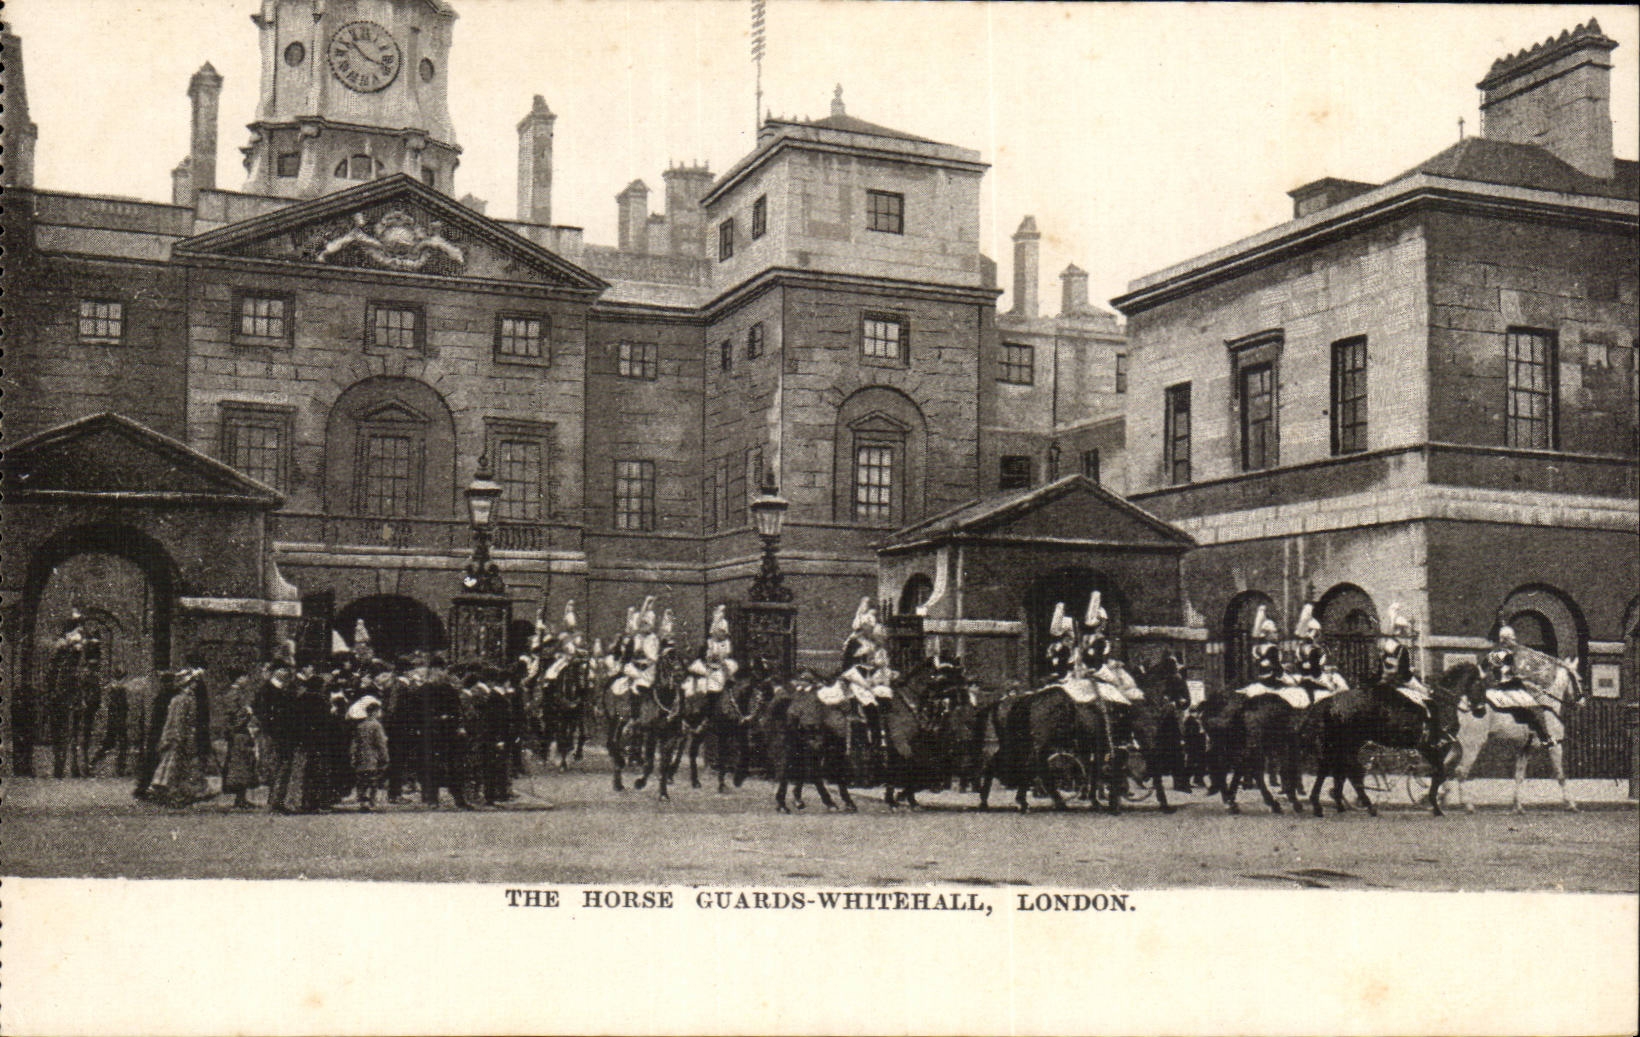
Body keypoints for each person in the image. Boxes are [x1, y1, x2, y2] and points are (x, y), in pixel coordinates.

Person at [1379, 603, 1446, 749]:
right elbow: (1405, 677)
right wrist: (1422, 688)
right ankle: (1434, 740)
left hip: (1383, 684)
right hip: (1398, 685)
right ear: (1401, 630)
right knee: (1431, 703)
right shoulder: (1402, 649)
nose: (1406, 633)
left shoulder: (1385, 645)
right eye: (1404, 630)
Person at [148, 655, 212, 807]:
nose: (195, 685)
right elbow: (177, 722)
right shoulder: (182, 700)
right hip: (178, 738)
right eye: (193, 683)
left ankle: (177, 793)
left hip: (184, 736)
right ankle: (170, 794)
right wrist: (177, 738)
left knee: (179, 766)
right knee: (174, 766)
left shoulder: (186, 699)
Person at [1481, 625, 1557, 747]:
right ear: (1508, 639)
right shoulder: (1508, 655)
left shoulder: (1493, 654)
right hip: (1509, 689)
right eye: (1510, 639)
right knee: (1536, 708)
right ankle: (1545, 738)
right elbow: (1512, 672)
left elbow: (1485, 670)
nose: (1512, 642)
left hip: (1495, 689)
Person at [220, 667, 262, 810]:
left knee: (244, 765)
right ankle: (240, 798)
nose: (246, 680)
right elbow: (233, 716)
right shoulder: (233, 694)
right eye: (244, 677)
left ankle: (241, 798)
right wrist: (247, 712)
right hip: (238, 733)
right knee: (239, 766)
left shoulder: (238, 693)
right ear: (238, 678)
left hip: (242, 731)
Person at [1290, 604, 1346, 702]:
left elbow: (1300, 663)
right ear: (1311, 632)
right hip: (1316, 677)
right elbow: (1316, 670)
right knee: (1339, 689)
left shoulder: (1299, 648)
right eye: (1315, 632)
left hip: (1303, 675)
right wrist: (1329, 682)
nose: (1317, 634)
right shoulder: (1315, 648)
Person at [685, 605, 739, 700]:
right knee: (706, 680)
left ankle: (720, 696)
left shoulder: (725, 643)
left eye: (724, 632)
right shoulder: (710, 643)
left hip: (720, 665)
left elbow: (726, 655)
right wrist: (710, 658)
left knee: (725, 673)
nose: (722, 634)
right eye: (720, 631)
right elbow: (705, 656)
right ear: (714, 631)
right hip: (709, 666)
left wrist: (722, 660)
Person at [349, 697, 390, 811]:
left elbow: (355, 742)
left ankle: (363, 802)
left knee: (362, 780)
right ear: (375, 712)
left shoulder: (360, 725)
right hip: (373, 757)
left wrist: (353, 756)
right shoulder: (376, 726)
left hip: (361, 757)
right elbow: (381, 743)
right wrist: (385, 756)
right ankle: (372, 803)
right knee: (373, 780)